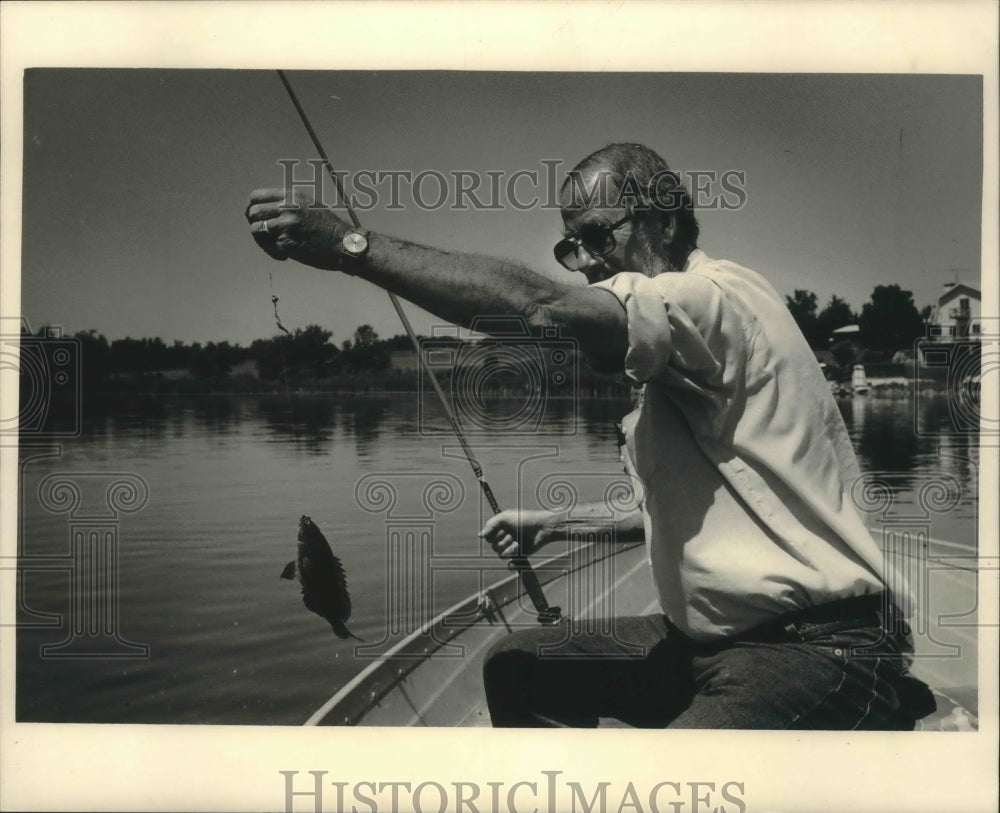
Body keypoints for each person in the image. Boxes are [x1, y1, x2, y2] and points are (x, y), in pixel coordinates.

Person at [246, 142, 935, 729]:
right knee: (516, 666)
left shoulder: (711, 297)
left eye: (600, 237)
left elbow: (542, 307)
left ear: (664, 220)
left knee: (675, 786)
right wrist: (556, 522)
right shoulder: (675, 361)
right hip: (704, 641)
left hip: (820, 648)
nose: (584, 262)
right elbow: (669, 514)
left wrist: (349, 247)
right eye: (569, 245)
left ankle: (876, 703)